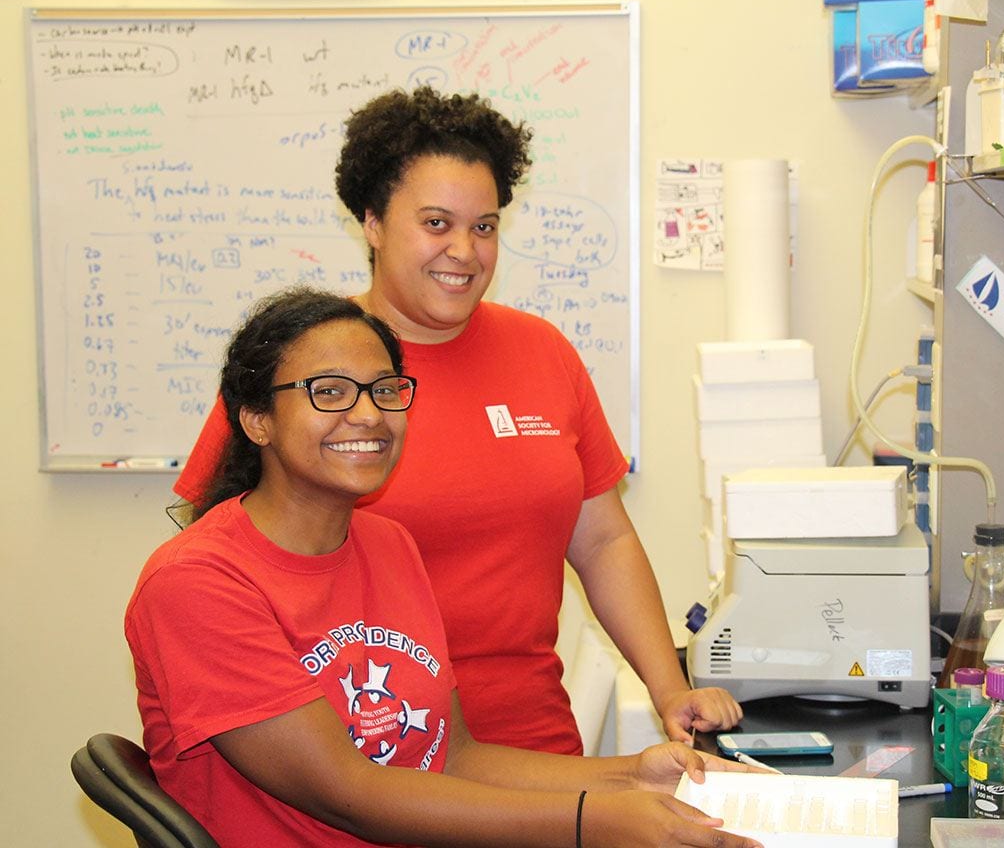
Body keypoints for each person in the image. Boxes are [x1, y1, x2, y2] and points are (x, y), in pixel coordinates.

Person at [173, 86, 743, 754]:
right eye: (437, 223)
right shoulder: (305, 365)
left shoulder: (543, 352)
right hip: (363, 747)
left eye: (485, 226)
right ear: (373, 223)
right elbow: (219, 557)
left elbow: (603, 541)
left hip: (532, 744)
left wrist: (670, 691)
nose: (466, 253)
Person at [127, 287, 762, 848]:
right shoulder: (197, 583)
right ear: (256, 419)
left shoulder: (388, 545)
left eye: (384, 389)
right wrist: (596, 821)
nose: (369, 414)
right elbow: (349, 794)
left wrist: (634, 774)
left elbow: (452, 758)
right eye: (329, 392)